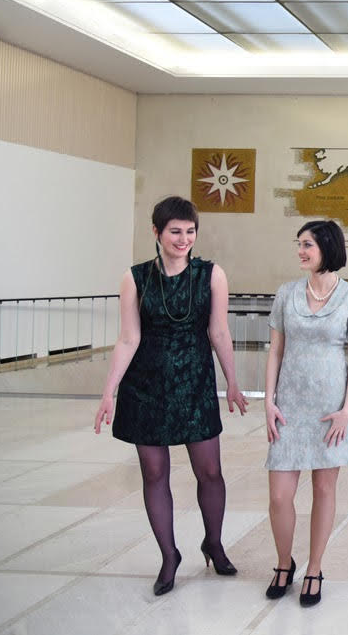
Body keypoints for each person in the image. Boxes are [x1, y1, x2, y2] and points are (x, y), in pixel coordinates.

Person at [93, 195, 248, 596]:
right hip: (146, 386)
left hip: (195, 383)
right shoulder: (136, 278)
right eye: (175, 231)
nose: (183, 239)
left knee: (209, 471)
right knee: (154, 473)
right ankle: (169, 555)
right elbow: (128, 338)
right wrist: (109, 392)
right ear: (156, 232)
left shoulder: (211, 275)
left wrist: (232, 381)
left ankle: (213, 543)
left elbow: (219, 332)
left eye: (190, 231)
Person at [263, 220, 348, 607]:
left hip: (331, 409)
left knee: (324, 489)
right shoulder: (286, 294)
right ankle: (283, 562)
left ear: (327, 247)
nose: (301, 251)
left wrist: (347, 410)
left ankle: (314, 567)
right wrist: (269, 400)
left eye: (308, 244)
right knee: (280, 496)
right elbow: (275, 351)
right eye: (300, 244)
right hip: (289, 408)